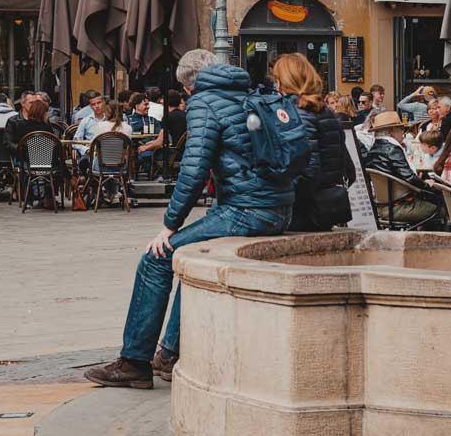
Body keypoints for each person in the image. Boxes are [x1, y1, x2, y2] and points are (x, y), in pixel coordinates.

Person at [85, 48, 301, 390]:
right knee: (193, 254)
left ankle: (134, 362)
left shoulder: (204, 101)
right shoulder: (249, 93)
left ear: (188, 86)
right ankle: (169, 354)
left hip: (246, 210)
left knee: (155, 259)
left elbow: (194, 168)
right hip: (277, 207)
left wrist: (169, 226)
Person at [277, 54, 354, 232]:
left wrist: (281, 196)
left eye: (277, 79)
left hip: (302, 212)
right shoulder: (325, 112)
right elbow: (348, 169)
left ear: (285, 82)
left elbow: (308, 171)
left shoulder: (297, 113)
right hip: (324, 210)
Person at [357, 111, 441, 223]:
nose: (403, 132)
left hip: (381, 206)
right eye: (401, 129)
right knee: (444, 208)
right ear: (392, 131)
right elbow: (409, 178)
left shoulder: (373, 150)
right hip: (400, 207)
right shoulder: (392, 149)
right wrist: (428, 186)